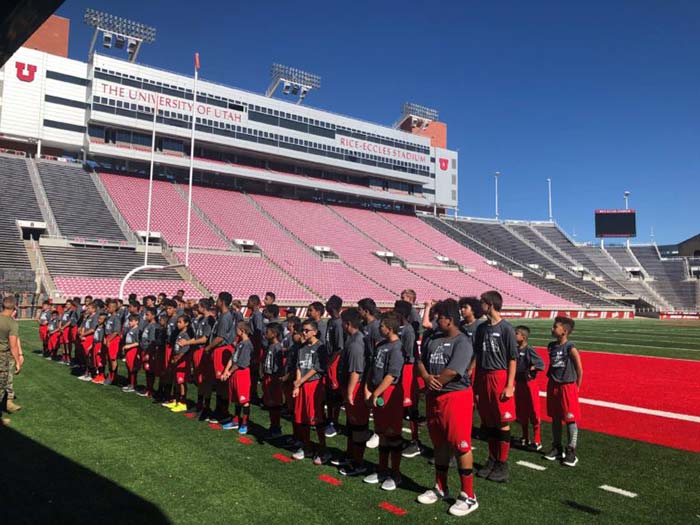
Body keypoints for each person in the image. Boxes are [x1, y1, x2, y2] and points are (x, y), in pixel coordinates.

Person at [416, 299, 479, 517]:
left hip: (455, 397)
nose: (435, 320)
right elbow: (420, 360)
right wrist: (425, 376)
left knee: (461, 445)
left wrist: (436, 382)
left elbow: (454, 370)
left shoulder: (463, 341)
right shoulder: (433, 338)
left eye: (438, 317)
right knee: (440, 443)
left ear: (449, 319)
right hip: (435, 397)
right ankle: (440, 487)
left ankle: (469, 496)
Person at [473, 291, 517, 483]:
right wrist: (475, 385)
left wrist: (509, 385)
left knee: (502, 421)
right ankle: (491, 458)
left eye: (481, 302)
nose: (479, 306)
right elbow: (477, 356)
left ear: (489, 304)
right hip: (483, 376)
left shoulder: (506, 328)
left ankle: (502, 462)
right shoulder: (482, 328)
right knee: (489, 421)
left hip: (499, 377)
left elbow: (512, 358)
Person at [362, 312, 404, 491]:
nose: (379, 328)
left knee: (392, 435)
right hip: (376, 393)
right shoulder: (381, 345)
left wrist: (376, 394)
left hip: (389, 395)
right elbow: (372, 369)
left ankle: (395, 473)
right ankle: (382, 469)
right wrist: (367, 389)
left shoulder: (397, 348)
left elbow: (391, 375)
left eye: (382, 326)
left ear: (390, 328)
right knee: (381, 433)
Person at [543, 316, 583, 467]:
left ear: (564, 331)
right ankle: (557, 447)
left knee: (570, 419)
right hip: (553, 385)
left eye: (555, 327)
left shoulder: (570, 347)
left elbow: (579, 369)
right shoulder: (551, 346)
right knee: (555, 417)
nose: (552, 329)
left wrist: (576, 387)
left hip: (567, 386)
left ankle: (571, 450)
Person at [337, 308, 370, 477]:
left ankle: (359, 462)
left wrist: (350, 392)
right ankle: (351, 455)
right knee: (352, 424)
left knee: (358, 426)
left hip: (355, 388)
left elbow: (356, 371)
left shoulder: (357, 342)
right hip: (351, 387)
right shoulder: (353, 339)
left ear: (348, 324)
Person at [292, 319, 329, 464]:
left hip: (314, 385)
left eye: (307, 330)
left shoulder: (321, 347)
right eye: (303, 330)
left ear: (315, 331)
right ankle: (307, 446)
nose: (304, 333)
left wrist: (301, 381)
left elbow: (317, 368)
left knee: (317, 418)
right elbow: (299, 367)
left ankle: (323, 449)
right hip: (302, 385)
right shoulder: (302, 348)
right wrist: (297, 385)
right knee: (302, 418)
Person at [203, 292, 236, 423]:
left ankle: (223, 412)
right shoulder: (222, 316)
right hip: (221, 349)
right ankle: (219, 409)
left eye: (217, 300)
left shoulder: (225, 317)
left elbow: (220, 337)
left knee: (222, 382)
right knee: (219, 383)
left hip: (222, 350)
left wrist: (209, 347)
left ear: (222, 301)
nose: (216, 302)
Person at [513, 326, 545, 451]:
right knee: (522, 411)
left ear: (524, 337)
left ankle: (537, 440)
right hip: (519, 384)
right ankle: (525, 437)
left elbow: (541, 364)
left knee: (534, 410)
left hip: (529, 384)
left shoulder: (529, 349)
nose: (514, 335)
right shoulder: (515, 349)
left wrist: (531, 369)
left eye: (516, 334)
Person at [221, 321, 253, 434]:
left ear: (242, 331)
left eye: (237, 329)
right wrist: (226, 371)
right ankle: (235, 420)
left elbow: (240, 363)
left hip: (242, 373)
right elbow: (232, 358)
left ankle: (244, 423)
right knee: (236, 398)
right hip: (235, 373)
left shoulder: (247, 344)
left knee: (244, 400)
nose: (236, 331)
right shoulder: (240, 343)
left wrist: (229, 372)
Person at [0, 296, 23, 425]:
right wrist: (18, 361)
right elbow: (13, 345)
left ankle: (8, 404)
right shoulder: (12, 323)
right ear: (14, 306)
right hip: (2, 357)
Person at [324, 295, 344, 438]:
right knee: (329, 392)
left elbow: (339, 348)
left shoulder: (338, 323)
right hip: (330, 359)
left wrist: (330, 363)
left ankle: (334, 421)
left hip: (335, 361)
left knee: (335, 392)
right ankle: (330, 418)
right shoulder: (331, 321)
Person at [261, 322, 284, 438]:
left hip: (274, 378)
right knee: (269, 402)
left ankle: (276, 427)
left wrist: (275, 379)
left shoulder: (277, 347)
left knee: (275, 403)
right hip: (268, 376)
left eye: (268, 332)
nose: (265, 334)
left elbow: (279, 366)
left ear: (274, 334)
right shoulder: (269, 345)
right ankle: (273, 425)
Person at [169, 314, 193, 413]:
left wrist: (178, 358)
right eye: (177, 322)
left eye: (180, 322)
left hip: (182, 360)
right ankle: (176, 399)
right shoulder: (179, 333)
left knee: (181, 381)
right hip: (177, 358)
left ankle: (183, 402)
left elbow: (185, 349)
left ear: (186, 324)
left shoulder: (186, 335)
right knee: (176, 380)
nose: (178, 324)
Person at [104, 300, 123, 386]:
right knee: (109, 358)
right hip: (109, 337)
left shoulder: (116, 318)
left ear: (114, 308)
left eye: (110, 307)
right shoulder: (109, 317)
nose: (108, 308)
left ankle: (113, 376)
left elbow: (116, 331)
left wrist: (109, 340)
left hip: (113, 339)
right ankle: (110, 374)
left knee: (113, 358)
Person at [121, 314, 142, 393]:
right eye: (129, 321)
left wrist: (129, 346)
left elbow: (137, 342)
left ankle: (133, 384)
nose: (129, 322)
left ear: (136, 322)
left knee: (132, 368)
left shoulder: (137, 330)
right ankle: (130, 383)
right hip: (128, 351)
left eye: (131, 321)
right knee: (129, 367)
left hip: (133, 350)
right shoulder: (130, 329)